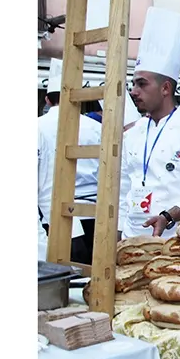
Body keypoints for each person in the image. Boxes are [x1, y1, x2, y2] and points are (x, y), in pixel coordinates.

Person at [118, 7, 180, 238]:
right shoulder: (132, 134)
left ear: (165, 88)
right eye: (133, 84)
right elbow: (124, 188)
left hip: (175, 239)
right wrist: (116, 237)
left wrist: (168, 216)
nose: (133, 91)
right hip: (131, 237)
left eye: (142, 84)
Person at [37, 58, 103, 263]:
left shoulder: (37, 126)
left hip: (55, 219)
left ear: (47, 100)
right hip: (94, 218)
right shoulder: (95, 128)